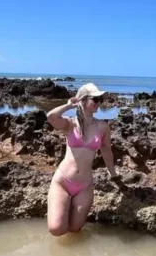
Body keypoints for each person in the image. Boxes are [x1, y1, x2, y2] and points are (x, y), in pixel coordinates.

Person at [46, 83, 119, 236]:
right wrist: (68, 106)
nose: (99, 103)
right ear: (83, 100)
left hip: (84, 185)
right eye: (95, 99)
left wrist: (114, 175)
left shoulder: (103, 126)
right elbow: (51, 117)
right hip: (63, 182)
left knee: (74, 229)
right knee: (56, 229)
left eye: (100, 99)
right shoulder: (70, 123)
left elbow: (107, 151)